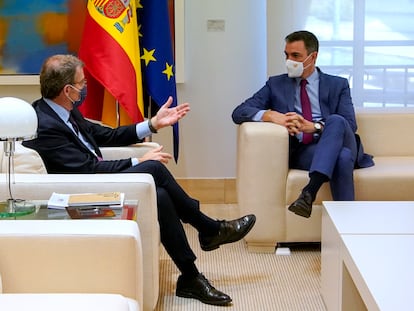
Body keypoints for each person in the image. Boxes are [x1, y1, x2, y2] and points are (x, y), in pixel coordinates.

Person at [23, 54, 256, 306]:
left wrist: (152, 124)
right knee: (153, 168)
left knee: (162, 196)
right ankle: (208, 228)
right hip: (78, 195)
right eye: (82, 83)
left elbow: (106, 135)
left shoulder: (64, 111)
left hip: (96, 182)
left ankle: (190, 276)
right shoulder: (44, 124)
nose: (85, 88)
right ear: (67, 90)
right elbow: (87, 169)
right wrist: (139, 161)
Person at [232, 30, 374, 219]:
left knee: (336, 120)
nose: (289, 60)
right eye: (287, 55)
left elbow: (349, 124)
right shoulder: (276, 84)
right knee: (342, 158)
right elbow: (239, 112)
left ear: (312, 57)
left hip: (339, 138)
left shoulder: (337, 85)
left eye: (296, 56)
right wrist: (271, 115)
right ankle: (345, 224)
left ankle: (310, 190)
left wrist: (314, 127)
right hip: (305, 150)